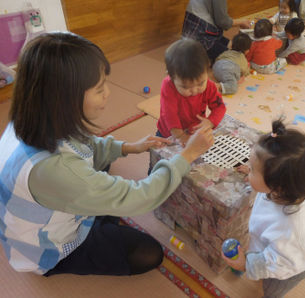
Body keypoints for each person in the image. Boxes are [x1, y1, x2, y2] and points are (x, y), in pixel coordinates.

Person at [0, 32, 214, 276]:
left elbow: (83, 145)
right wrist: (187, 155)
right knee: (149, 253)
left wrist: (127, 147)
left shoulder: (31, 119)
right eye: (99, 89)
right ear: (65, 97)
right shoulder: (55, 169)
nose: (108, 94)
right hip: (48, 246)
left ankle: (100, 206)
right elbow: (138, 198)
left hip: (52, 195)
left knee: (100, 168)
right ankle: (89, 226)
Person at [222, 118, 305, 298]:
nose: (249, 169)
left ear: (277, 187)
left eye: (253, 169)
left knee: (270, 291)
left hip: (288, 268)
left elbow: (277, 263)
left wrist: (246, 265)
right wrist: (255, 175)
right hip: (276, 246)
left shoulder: (290, 229)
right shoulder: (290, 189)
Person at [157, 38, 226, 146]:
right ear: (171, 77)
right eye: (185, 87)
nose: (194, 91)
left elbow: (219, 107)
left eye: (200, 84)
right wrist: (180, 136)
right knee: (161, 158)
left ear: (207, 69)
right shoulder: (168, 86)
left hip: (194, 130)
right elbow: (169, 114)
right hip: (168, 133)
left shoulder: (209, 86)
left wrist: (210, 122)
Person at [181, 0, 251, 62]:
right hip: (200, 37)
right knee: (234, 59)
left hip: (192, 30)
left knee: (229, 44)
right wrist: (241, 22)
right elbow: (222, 22)